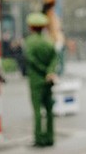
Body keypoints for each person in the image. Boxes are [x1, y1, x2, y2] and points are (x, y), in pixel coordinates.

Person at [24, 12, 58, 147]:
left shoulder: (29, 42)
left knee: (37, 110)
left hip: (36, 80)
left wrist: (42, 70)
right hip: (48, 80)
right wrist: (49, 71)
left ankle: (39, 138)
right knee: (49, 110)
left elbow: (31, 60)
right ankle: (50, 137)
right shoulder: (49, 41)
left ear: (31, 27)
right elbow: (55, 58)